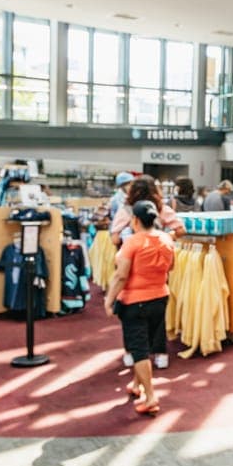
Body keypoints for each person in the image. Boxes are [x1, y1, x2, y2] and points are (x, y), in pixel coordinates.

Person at [103, 200, 175, 416]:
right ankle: (137, 385)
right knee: (143, 345)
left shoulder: (132, 242)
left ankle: (151, 396)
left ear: (135, 220)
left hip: (135, 302)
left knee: (138, 348)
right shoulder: (166, 239)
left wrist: (109, 299)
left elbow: (121, 275)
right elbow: (171, 267)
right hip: (160, 298)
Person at [110, 176, 184, 369]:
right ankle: (160, 354)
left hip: (132, 266)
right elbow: (180, 229)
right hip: (158, 271)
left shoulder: (126, 211)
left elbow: (114, 237)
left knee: (130, 316)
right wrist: (166, 236)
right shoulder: (162, 210)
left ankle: (131, 352)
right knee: (158, 315)